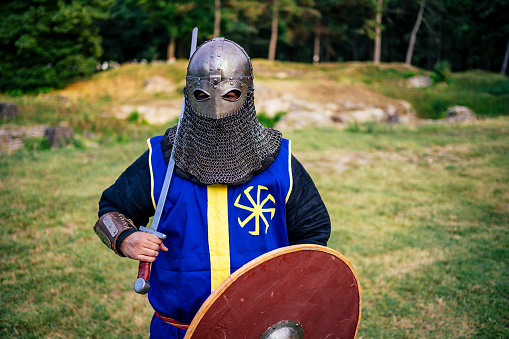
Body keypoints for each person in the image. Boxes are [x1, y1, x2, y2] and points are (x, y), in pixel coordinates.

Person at [93, 38, 331, 339]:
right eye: (203, 94)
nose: (217, 107)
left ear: (247, 93)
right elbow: (111, 210)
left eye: (231, 94)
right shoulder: (161, 160)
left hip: (260, 328)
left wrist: (288, 293)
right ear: (188, 93)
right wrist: (126, 238)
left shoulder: (278, 162)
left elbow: (313, 232)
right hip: (180, 329)